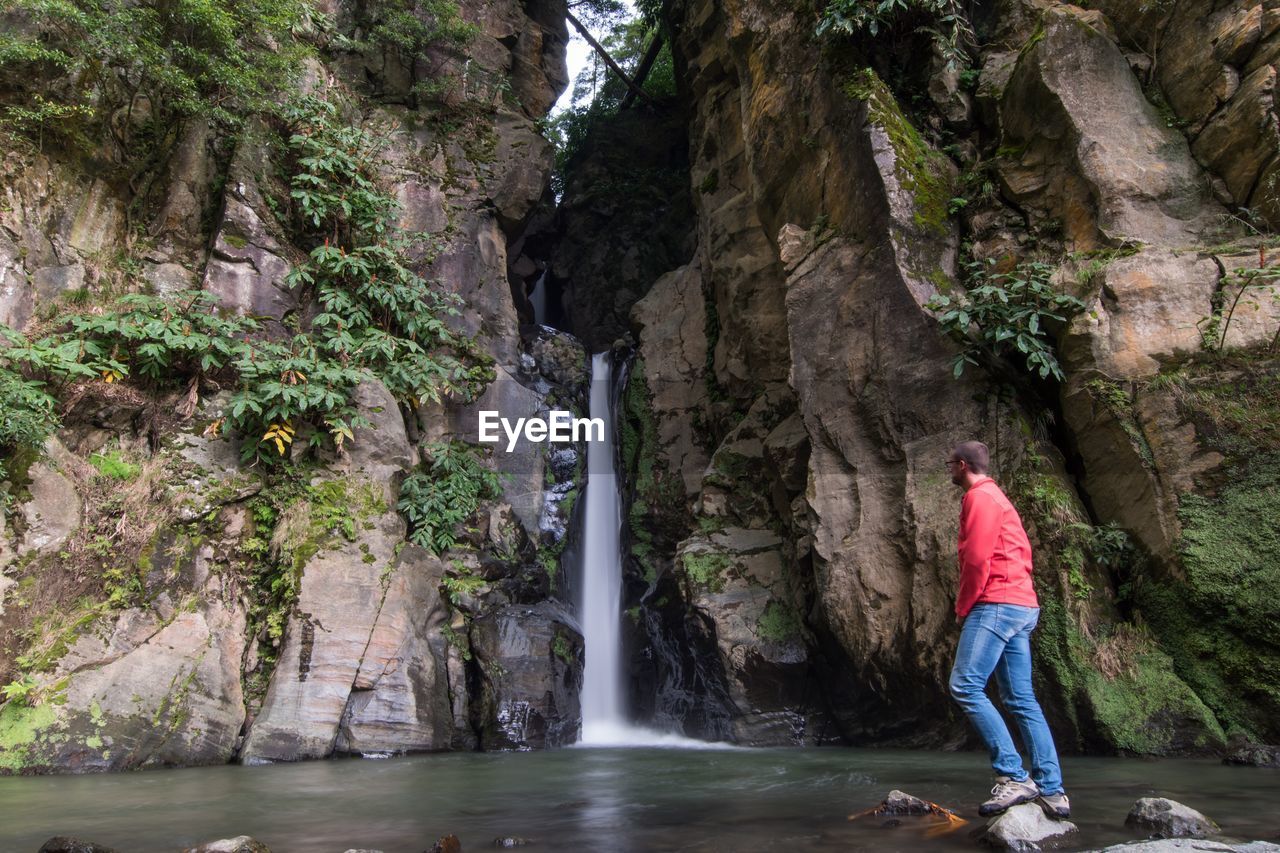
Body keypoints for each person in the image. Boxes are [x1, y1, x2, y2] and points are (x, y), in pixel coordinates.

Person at [946, 440, 1070, 819]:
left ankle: (1014, 776)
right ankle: (1051, 790)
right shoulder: (999, 498)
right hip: (1020, 603)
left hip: (997, 602)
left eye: (950, 465)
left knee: (964, 685)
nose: (948, 470)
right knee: (1019, 698)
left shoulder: (980, 498)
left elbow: (978, 558)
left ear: (963, 465)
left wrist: (964, 605)